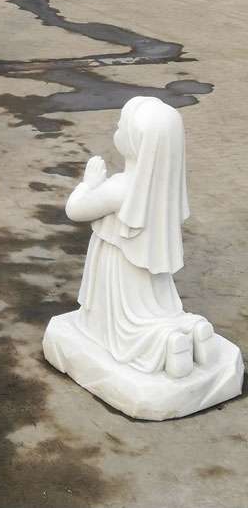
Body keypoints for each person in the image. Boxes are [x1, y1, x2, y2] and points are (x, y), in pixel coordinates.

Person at [65, 96, 216, 377]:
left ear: (137, 142)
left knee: (125, 321)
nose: (116, 129)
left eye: (121, 127)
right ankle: (188, 329)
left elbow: (75, 210)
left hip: (117, 268)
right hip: (152, 269)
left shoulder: (120, 187)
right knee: (158, 310)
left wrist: (88, 183)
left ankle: (161, 343)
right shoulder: (165, 189)